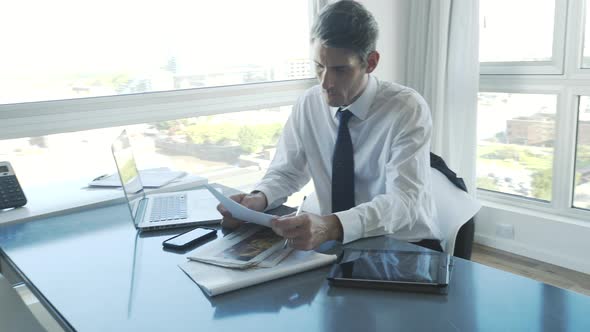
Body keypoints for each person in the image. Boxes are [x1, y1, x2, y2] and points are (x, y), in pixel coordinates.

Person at [218, 0, 441, 251]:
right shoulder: (309, 104)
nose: (326, 83)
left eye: (340, 70)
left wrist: (331, 225)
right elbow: (287, 172)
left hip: (406, 245)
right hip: (338, 242)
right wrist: (258, 199)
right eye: (319, 67)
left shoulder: (406, 108)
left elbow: (405, 202)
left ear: (371, 62)